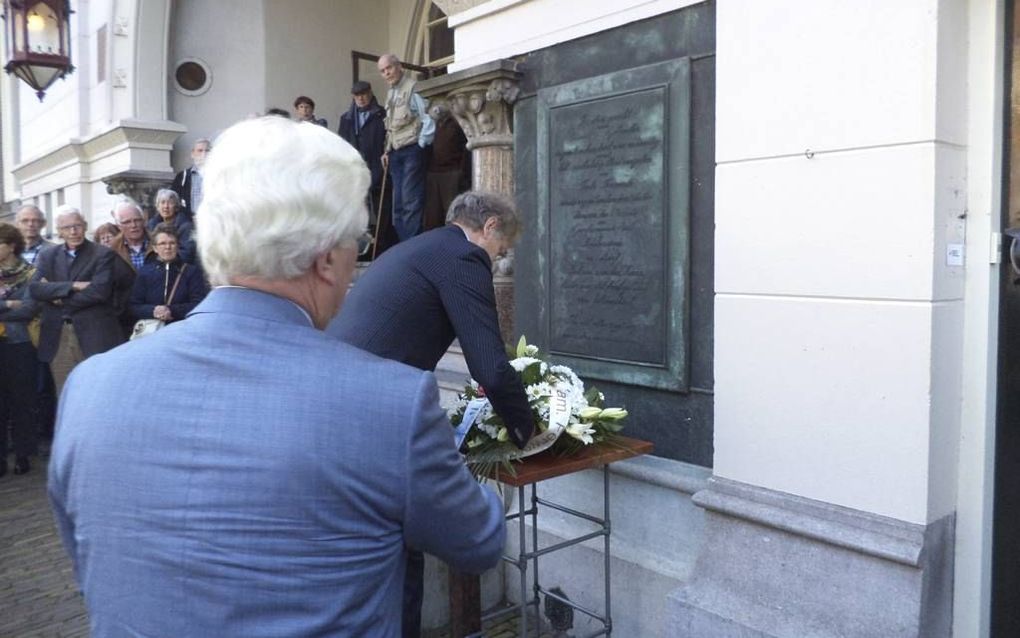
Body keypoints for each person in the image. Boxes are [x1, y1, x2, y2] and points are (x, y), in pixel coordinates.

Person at [48, 116, 506, 638]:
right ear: (327, 260)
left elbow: (89, 564)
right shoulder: (390, 403)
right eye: (355, 243)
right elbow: (480, 541)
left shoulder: (89, 385)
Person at [328, 190, 535, 638]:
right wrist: (528, 428)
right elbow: (489, 364)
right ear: (491, 227)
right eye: (503, 248)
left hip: (338, 403)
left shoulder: (420, 246)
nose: (499, 259)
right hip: (372, 414)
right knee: (405, 550)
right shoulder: (462, 257)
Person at [29, 206, 123, 400]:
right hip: (58, 336)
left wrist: (56, 296)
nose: (73, 232)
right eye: (67, 227)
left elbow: (100, 292)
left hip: (94, 334)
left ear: (85, 226)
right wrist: (73, 286)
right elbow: (35, 289)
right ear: (59, 231)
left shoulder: (102, 254)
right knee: (65, 394)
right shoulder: (48, 256)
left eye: (77, 226)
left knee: (98, 393)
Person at [379, 53, 434, 242]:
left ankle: (412, 245)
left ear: (399, 67)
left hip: (412, 150)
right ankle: (405, 245)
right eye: (383, 71)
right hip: (395, 152)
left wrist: (421, 144)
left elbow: (428, 117)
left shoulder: (413, 88)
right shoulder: (391, 93)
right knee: (399, 204)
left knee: (411, 201)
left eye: (389, 68)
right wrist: (387, 150)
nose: (387, 73)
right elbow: (391, 126)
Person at [0, 223, 41, 476]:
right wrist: (8, 303)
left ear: (11, 246)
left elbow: (28, 309)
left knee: (22, 401)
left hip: (20, 344)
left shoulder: (30, 273)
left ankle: (23, 454)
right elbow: (16, 307)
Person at [339, 80, 395, 256]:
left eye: (363, 94)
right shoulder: (346, 118)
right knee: (357, 212)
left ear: (370, 93)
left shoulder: (382, 114)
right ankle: (360, 250)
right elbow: (342, 144)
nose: (361, 99)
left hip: (379, 169)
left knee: (382, 211)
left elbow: (389, 139)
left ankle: (381, 250)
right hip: (356, 172)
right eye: (357, 96)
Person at [129, 223, 207, 324]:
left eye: (172, 243)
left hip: (182, 327)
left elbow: (199, 304)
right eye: (162, 243)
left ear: (178, 246)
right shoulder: (145, 273)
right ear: (155, 248)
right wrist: (153, 310)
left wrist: (171, 310)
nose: (168, 247)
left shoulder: (191, 272)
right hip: (153, 331)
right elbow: (133, 306)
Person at [423, 103, 470, 231]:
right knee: (433, 215)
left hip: (452, 172)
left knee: (452, 212)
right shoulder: (435, 124)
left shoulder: (457, 123)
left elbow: (466, 149)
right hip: (435, 172)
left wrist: (461, 172)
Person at [147, 189, 196, 263]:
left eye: (170, 203)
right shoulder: (151, 224)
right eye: (162, 203)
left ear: (176, 207)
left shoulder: (186, 227)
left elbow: (186, 254)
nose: (166, 206)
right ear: (157, 207)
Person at [171, 138, 210, 218]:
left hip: (210, 219)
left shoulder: (218, 176)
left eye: (207, 151)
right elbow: (173, 199)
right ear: (193, 154)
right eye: (200, 150)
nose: (204, 154)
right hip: (187, 220)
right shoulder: (182, 177)